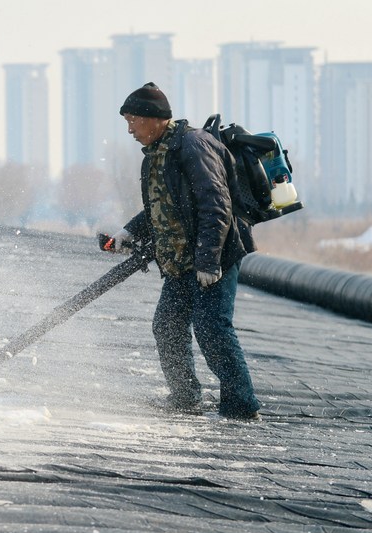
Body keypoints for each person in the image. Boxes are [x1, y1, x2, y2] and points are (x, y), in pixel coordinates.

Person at [108, 82, 261, 421]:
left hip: (214, 256)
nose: (130, 129)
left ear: (154, 118)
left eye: (133, 120)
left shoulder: (193, 146)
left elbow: (216, 207)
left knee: (212, 327)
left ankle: (242, 407)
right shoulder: (156, 155)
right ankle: (186, 396)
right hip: (180, 260)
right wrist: (128, 232)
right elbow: (161, 206)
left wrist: (208, 262)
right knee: (167, 325)